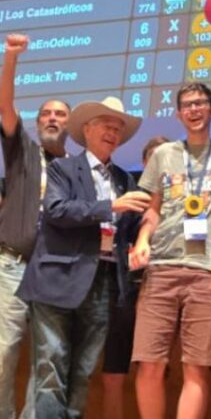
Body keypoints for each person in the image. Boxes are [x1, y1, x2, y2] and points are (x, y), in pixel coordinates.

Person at [126, 89, 211, 419]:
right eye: (187, 105)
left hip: (205, 271)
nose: (194, 110)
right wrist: (143, 238)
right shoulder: (164, 155)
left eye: (200, 104)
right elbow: (153, 209)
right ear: (178, 114)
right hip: (160, 268)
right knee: (149, 364)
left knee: (196, 368)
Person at [18, 96, 150, 419]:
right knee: (51, 367)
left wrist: (145, 237)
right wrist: (111, 207)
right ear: (87, 130)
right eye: (106, 124)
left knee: (84, 370)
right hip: (56, 280)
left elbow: (130, 229)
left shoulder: (124, 179)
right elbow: (57, 210)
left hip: (103, 282)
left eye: (118, 128)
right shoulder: (63, 168)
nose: (113, 132)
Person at [0, 34, 70, 419]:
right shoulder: (22, 150)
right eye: (47, 114)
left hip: (53, 274)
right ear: (38, 121)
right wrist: (11, 56)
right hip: (10, 266)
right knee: (3, 354)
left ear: (69, 123)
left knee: (47, 364)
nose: (53, 119)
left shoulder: (77, 167)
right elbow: (5, 105)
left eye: (60, 114)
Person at [100, 134, 169, 419]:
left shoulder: (185, 202)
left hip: (164, 293)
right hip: (125, 292)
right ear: (144, 163)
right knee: (113, 372)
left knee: (155, 372)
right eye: (153, 160)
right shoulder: (131, 198)